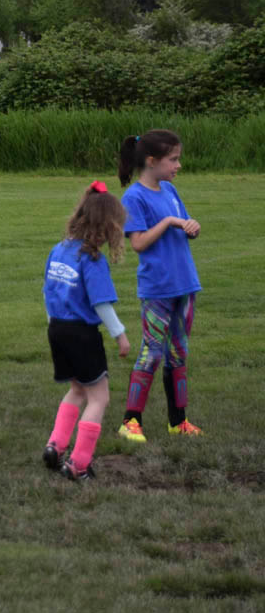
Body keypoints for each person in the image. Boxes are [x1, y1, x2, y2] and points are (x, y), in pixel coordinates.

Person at [116, 130, 202, 442]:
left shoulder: (170, 190)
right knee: (152, 351)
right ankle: (130, 421)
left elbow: (185, 223)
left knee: (179, 353)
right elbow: (138, 243)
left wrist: (192, 227)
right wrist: (168, 223)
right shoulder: (134, 197)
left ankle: (178, 420)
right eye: (174, 159)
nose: (178, 165)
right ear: (151, 161)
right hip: (157, 290)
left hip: (185, 285)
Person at [42, 181, 130, 481]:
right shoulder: (92, 259)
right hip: (81, 334)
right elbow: (102, 303)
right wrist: (120, 334)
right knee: (99, 398)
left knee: (77, 389)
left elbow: (48, 291)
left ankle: (55, 446)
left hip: (57, 329)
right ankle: (79, 464)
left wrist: (52, 322)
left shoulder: (59, 249)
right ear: (107, 227)